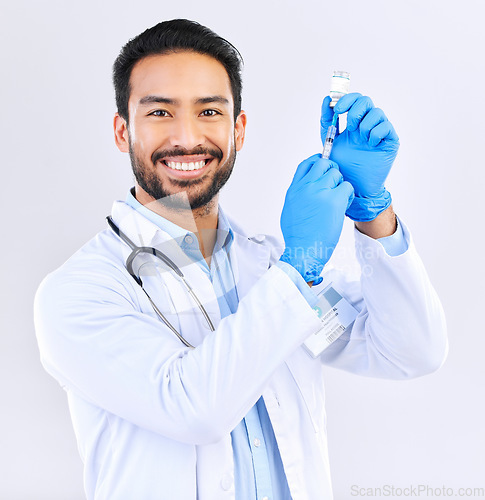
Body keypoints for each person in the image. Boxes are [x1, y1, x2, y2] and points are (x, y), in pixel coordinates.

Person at [34, 18, 447, 500]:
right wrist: (299, 269)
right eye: (160, 113)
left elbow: (411, 351)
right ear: (123, 132)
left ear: (239, 130)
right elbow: (193, 407)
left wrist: (373, 210)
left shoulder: (267, 267)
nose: (187, 138)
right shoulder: (80, 291)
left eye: (209, 112)